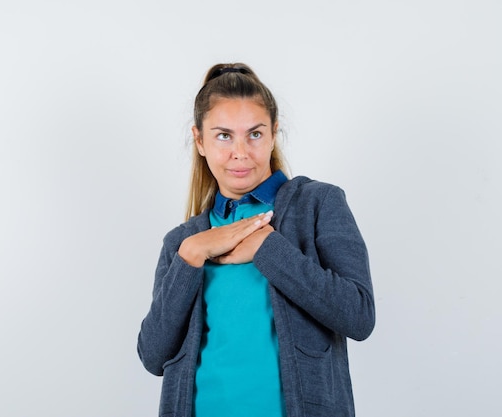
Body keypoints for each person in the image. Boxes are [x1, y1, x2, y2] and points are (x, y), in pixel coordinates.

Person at [137, 63, 375, 417]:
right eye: (223, 135)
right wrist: (192, 254)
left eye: (255, 134)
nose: (241, 152)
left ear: (274, 133)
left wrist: (268, 248)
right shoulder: (182, 242)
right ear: (199, 140)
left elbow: (359, 316)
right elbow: (153, 355)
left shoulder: (318, 204)